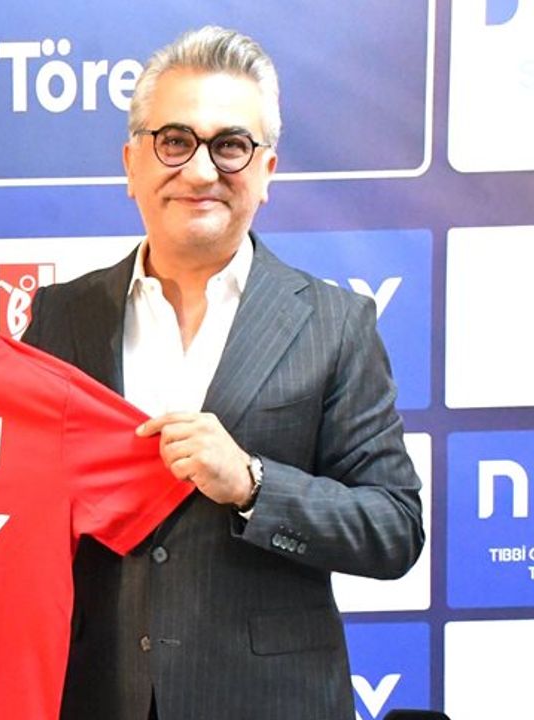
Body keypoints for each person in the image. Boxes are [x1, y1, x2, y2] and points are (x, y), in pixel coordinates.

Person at [22, 25, 424, 720]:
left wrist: (253, 484)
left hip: (269, 702)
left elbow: (393, 528)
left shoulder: (335, 324)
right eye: (174, 141)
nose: (202, 171)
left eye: (231, 145)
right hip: (96, 694)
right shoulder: (61, 316)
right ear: (132, 164)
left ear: (266, 172)